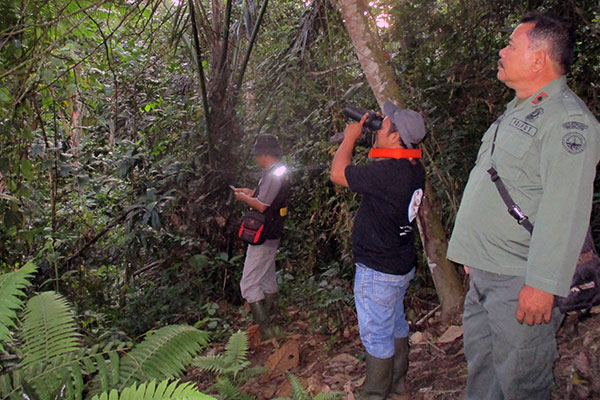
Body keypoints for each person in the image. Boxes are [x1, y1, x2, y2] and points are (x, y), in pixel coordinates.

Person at [447, 11, 600, 399]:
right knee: (483, 372)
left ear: (538, 59)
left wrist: (543, 284)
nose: (502, 50)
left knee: (523, 384)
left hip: (521, 281)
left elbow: (565, 210)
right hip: (487, 273)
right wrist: (474, 253)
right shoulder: (518, 111)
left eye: (511, 45)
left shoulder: (568, 122)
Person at [330, 101, 426, 399]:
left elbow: (338, 174)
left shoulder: (387, 174)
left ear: (396, 138)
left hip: (378, 271)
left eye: (385, 124)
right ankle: (397, 387)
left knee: (376, 335)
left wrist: (349, 138)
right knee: (395, 324)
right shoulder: (413, 168)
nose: (380, 123)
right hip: (400, 266)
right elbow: (380, 164)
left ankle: (374, 394)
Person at [233, 135, 290, 340]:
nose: (256, 158)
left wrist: (243, 199)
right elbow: (267, 197)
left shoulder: (273, 174)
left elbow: (263, 205)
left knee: (248, 284)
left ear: (264, 155)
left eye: (257, 154)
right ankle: (274, 321)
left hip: (264, 236)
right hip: (271, 234)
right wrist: (249, 193)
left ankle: (266, 332)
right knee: (266, 279)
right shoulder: (275, 172)